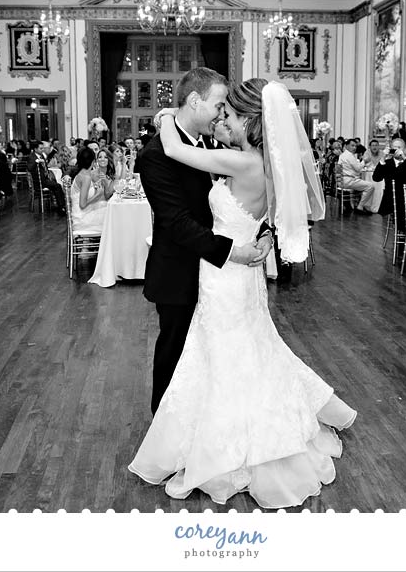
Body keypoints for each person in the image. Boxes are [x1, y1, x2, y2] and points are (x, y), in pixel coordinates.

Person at [130, 74, 354, 509]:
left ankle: (206, 440)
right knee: (193, 351)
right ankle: (172, 426)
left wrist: (247, 243)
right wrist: (249, 243)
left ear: (251, 121)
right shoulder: (170, 155)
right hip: (200, 271)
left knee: (225, 356)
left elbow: (225, 198)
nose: (220, 116)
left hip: (225, 275)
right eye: (218, 107)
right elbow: (177, 222)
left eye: (228, 112)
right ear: (195, 100)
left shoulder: (234, 157)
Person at [67, 147, 110, 234]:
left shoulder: (82, 173)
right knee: (113, 216)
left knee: (107, 207)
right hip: (82, 218)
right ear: (93, 161)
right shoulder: (86, 177)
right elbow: (82, 204)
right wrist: (97, 195)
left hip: (82, 214)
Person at [337, 138, 378, 213]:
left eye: (355, 146)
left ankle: (360, 205)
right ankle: (360, 206)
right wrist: (364, 161)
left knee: (364, 184)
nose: (354, 148)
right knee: (370, 186)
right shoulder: (348, 156)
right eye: (352, 146)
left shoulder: (342, 155)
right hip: (348, 180)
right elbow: (358, 169)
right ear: (346, 146)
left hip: (343, 180)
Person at [28, 140, 66, 213]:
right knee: (57, 186)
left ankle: (59, 205)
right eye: (41, 148)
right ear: (35, 149)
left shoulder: (41, 156)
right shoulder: (32, 157)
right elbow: (30, 168)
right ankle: (61, 207)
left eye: (43, 148)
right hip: (39, 181)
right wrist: (36, 162)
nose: (42, 150)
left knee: (56, 184)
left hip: (44, 179)